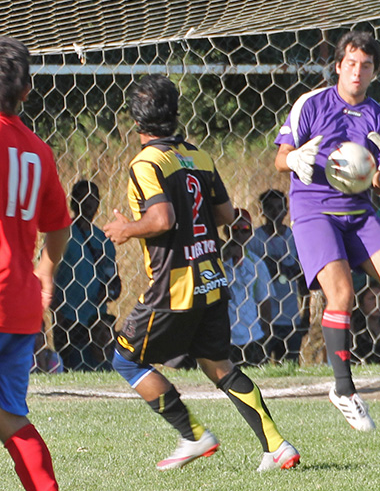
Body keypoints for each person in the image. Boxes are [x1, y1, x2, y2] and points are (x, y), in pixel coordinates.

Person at [102, 74, 299, 471]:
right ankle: (277, 446)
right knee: (219, 366)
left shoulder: (146, 162)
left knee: (126, 360)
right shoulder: (199, 156)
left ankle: (193, 436)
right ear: (175, 115)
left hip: (175, 286)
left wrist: (126, 229)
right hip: (212, 278)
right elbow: (227, 215)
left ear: (136, 122)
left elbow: (161, 217)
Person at [273, 31, 380, 432]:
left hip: (360, 212)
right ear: (338, 66)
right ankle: (344, 390)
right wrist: (295, 157)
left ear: (374, 71)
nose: (357, 71)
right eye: (351, 63)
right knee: (342, 293)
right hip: (314, 210)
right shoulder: (310, 105)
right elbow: (280, 159)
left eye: (365, 65)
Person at [0, 35, 70, 491]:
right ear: (27, 92)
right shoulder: (38, 151)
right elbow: (59, 227)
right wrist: (45, 270)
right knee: (9, 417)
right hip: (21, 305)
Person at [51, 179, 121, 371]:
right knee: (73, 366)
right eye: (83, 197)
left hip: (97, 320)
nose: (89, 203)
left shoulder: (104, 240)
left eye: (93, 198)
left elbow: (114, 280)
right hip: (68, 318)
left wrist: (109, 290)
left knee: (101, 370)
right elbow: (48, 273)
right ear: (73, 201)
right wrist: (56, 311)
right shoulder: (62, 234)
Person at [246, 189, 310, 363]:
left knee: (290, 366)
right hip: (262, 319)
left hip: (290, 318)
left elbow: (303, 279)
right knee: (261, 364)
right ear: (262, 211)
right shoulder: (255, 240)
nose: (274, 212)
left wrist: (306, 314)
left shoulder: (295, 238)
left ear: (286, 210)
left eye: (278, 208)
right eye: (269, 208)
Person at [223, 208, 270, 367]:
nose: (239, 234)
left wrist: (266, 335)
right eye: (235, 229)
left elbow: (264, 301)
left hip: (252, 336)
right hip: (224, 337)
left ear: (251, 233)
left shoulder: (257, 264)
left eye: (245, 230)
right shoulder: (216, 262)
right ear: (226, 230)